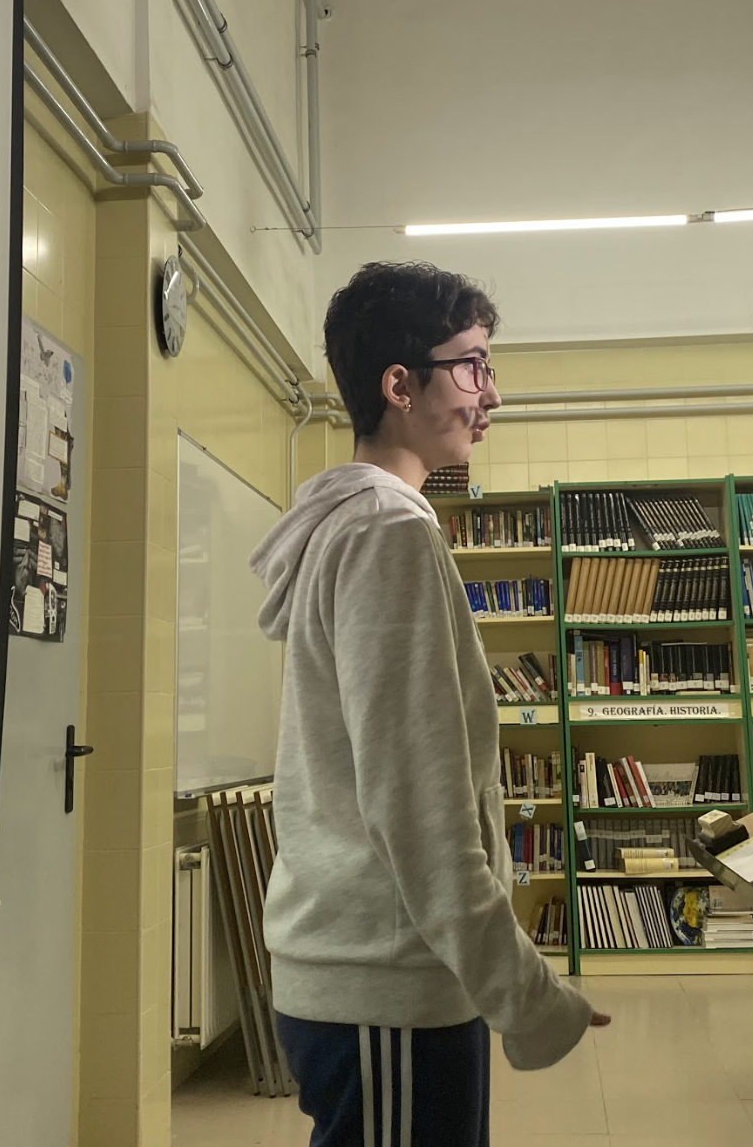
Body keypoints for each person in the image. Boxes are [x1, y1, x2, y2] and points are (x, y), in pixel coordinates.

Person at [250, 262, 605, 1146]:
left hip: (380, 974)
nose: (492, 394)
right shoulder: (386, 532)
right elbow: (417, 802)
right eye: (472, 366)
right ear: (399, 386)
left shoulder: (365, 524)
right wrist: (524, 990)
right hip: (386, 979)